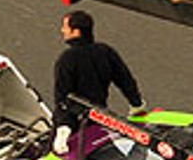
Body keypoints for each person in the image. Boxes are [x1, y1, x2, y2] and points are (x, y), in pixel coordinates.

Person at [51, 9, 143, 151]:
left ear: (76, 32)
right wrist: (136, 104)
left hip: (74, 125)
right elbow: (125, 80)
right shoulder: (105, 52)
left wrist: (63, 129)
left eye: (65, 27)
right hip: (98, 119)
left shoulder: (67, 60)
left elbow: (63, 99)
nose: (62, 30)